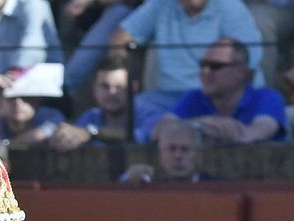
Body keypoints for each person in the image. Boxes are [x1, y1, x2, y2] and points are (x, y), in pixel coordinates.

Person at [108, 0, 263, 142]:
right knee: (132, 106)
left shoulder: (231, 9)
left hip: (215, 98)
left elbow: (247, 66)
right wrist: (122, 70)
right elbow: (121, 38)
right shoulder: (161, 4)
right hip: (168, 99)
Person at [164, 36, 286, 142]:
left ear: (241, 71)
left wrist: (210, 130)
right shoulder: (194, 98)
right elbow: (161, 131)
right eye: (202, 65)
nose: (205, 72)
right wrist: (201, 124)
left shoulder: (267, 97)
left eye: (215, 66)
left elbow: (253, 134)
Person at [0, 68, 67, 150]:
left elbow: (38, 135)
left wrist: (4, 145)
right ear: (0, 102)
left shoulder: (51, 115)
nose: (18, 103)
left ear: (37, 101)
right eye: (10, 97)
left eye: (26, 98)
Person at [49, 55, 133, 144]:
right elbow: (76, 133)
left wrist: (91, 132)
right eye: (105, 86)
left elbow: (137, 136)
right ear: (94, 89)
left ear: (133, 89)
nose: (112, 93)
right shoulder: (91, 116)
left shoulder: (145, 114)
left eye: (119, 87)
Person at [118, 114, 211, 180]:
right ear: (160, 155)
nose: (178, 156)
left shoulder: (217, 188)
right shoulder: (149, 186)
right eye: (171, 149)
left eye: (185, 149)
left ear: (199, 156)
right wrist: (128, 178)